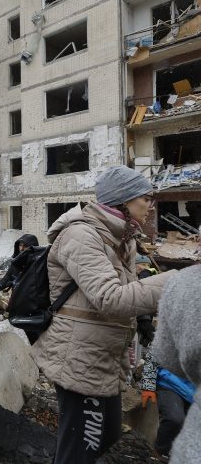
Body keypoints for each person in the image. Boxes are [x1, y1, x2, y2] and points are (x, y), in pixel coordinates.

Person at [30, 165, 176, 464]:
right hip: (81, 360)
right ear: (123, 200)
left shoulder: (122, 238)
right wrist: (177, 282)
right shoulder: (82, 235)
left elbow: (128, 292)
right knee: (82, 451)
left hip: (103, 360)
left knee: (104, 443)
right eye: (145, 197)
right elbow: (109, 298)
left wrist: (144, 319)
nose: (151, 204)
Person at [152, 265, 201, 463]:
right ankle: (159, 452)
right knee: (174, 419)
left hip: (191, 390)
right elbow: (154, 356)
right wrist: (148, 387)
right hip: (169, 384)